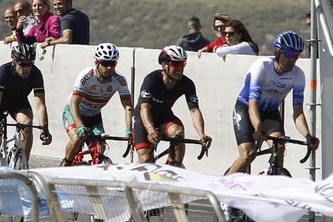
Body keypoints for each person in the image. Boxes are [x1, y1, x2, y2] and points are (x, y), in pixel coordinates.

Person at [226, 30, 317, 174]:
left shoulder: (298, 75)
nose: (292, 59)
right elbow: (253, 104)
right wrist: (258, 127)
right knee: (248, 154)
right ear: (277, 52)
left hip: (270, 113)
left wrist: (308, 136)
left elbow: (298, 112)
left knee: (279, 147)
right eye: (288, 54)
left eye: (296, 55)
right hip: (246, 108)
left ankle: (270, 178)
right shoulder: (262, 67)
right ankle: (224, 186)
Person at [132, 45, 210, 166]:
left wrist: (201, 134)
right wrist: (150, 129)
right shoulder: (151, 79)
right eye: (176, 65)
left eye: (183, 64)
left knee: (178, 132)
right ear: (164, 65)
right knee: (146, 159)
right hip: (143, 118)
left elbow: (194, 110)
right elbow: (144, 107)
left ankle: (174, 166)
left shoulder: (187, 83)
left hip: (164, 117)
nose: (180, 69)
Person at [61, 42, 133, 165]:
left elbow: (128, 107)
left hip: (94, 116)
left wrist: (129, 130)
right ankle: (66, 164)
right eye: (105, 63)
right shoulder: (87, 76)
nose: (109, 67)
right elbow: (74, 103)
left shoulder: (119, 80)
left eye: (113, 63)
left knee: (100, 146)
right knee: (77, 139)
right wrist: (79, 126)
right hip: (74, 112)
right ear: (97, 63)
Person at [0, 42, 52, 167]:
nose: (26, 68)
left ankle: (23, 165)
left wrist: (45, 129)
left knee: (27, 123)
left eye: (30, 64)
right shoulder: (2, 72)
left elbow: (41, 105)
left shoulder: (36, 74)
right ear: (14, 62)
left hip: (18, 101)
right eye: (23, 64)